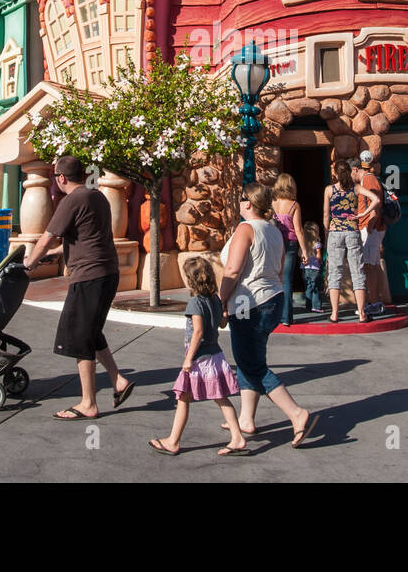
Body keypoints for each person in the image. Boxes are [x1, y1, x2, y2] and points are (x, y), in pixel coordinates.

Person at [25, 155, 134, 420]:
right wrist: (55, 254)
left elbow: (46, 238)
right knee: (92, 330)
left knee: (80, 336)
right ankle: (118, 380)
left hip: (88, 277)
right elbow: (82, 236)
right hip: (108, 273)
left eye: (55, 178)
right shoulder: (97, 197)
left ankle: (89, 403)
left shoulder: (71, 200)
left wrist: (29, 262)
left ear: (61, 178)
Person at [219, 182, 318, 447]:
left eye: (241, 199)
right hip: (273, 299)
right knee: (250, 358)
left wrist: (220, 300)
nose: (239, 203)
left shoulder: (246, 228)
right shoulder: (274, 231)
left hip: (248, 302)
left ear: (248, 203)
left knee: (252, 364)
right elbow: (278, 268)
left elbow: (231, 271)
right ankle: (246, 419)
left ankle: (296, 414)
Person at [148, 256, 249, 457]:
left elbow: (198, 332)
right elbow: (222, 324)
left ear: (190, 280)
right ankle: (237, 437)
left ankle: (173, 442)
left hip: (199, 359)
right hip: (216, 357)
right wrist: (224, 313)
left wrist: (188, 359)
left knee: (183, 397)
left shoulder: (195, 303)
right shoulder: (215, 299)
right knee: (220, 397)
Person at [323, 159, 377, 323]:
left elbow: (326, 215)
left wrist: (327, 233)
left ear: (335, 173)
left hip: (335, 232)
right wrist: (361, 215)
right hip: (352, 231)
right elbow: (376, 199)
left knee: (335, 272)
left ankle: (334, 313)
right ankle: (361, 313)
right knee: (357, 271)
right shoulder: (356, 188)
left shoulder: (329, 190)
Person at [353, 152, 389, 315]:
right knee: (373, 265)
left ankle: (373, 302)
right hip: (373, 228)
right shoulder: (368, 179)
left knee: (369, 266)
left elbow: (375, 206)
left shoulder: (367, 180)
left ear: (355, 170)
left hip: (371, 228)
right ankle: (376, 300)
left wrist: (369, 226)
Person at [271, 173, 310, 326]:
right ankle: (286, 317)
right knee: (286, 279)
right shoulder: (294, 205)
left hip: (275, 242)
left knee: (274, 278)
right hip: (290, 244)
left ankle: (274, 314)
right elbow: (298, 230)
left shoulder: (272, 203)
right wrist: (305, 251)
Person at [301, 221, 324, 314]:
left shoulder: (304, 244)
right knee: (316, 288)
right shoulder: (317, 243)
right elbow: (318, 256)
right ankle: (316, 306)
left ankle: (308, 305)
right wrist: (321, 261)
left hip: (305, 268)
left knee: (308, 287)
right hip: (315, 268)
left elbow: (301, 255)